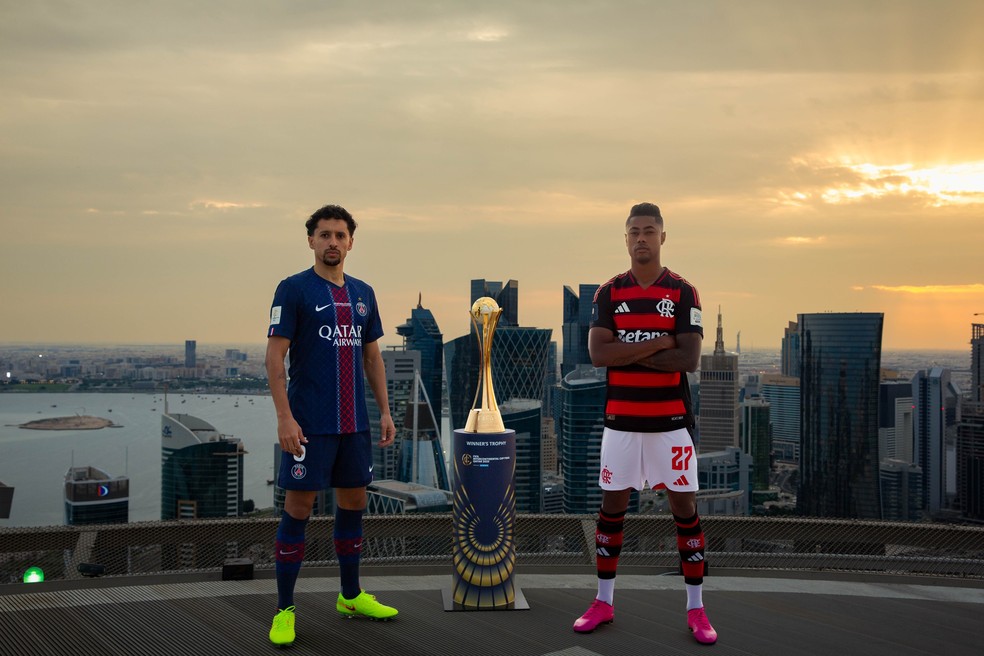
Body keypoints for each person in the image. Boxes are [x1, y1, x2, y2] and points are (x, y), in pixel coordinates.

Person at [572, 202, 717, 645]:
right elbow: (599, 355)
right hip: (621, 423)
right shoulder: (608, 293)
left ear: (662, 237)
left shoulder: (684, 293)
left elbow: (688, 360)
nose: (640, 238)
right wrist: (660, 341)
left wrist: (629, 348)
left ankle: (697, 611)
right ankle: (603, 600)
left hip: (670, 423)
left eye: (648, 230)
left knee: (684, 511)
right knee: (611, 510)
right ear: (626, 237)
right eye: (633, 231)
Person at [265, 204, 398, 648]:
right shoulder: (293, 289)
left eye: (341, 235)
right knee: (299, 507)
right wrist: (284, 417)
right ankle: (285, 610)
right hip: (309, 425)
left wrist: (383, 410)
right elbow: (274, 357)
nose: (333, 242)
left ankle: (351, 595)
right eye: (324, 235)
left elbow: (372, 357)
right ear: (311, 241)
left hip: (354, 425)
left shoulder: (363, 293)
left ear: (351, 242)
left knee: (355, 500)